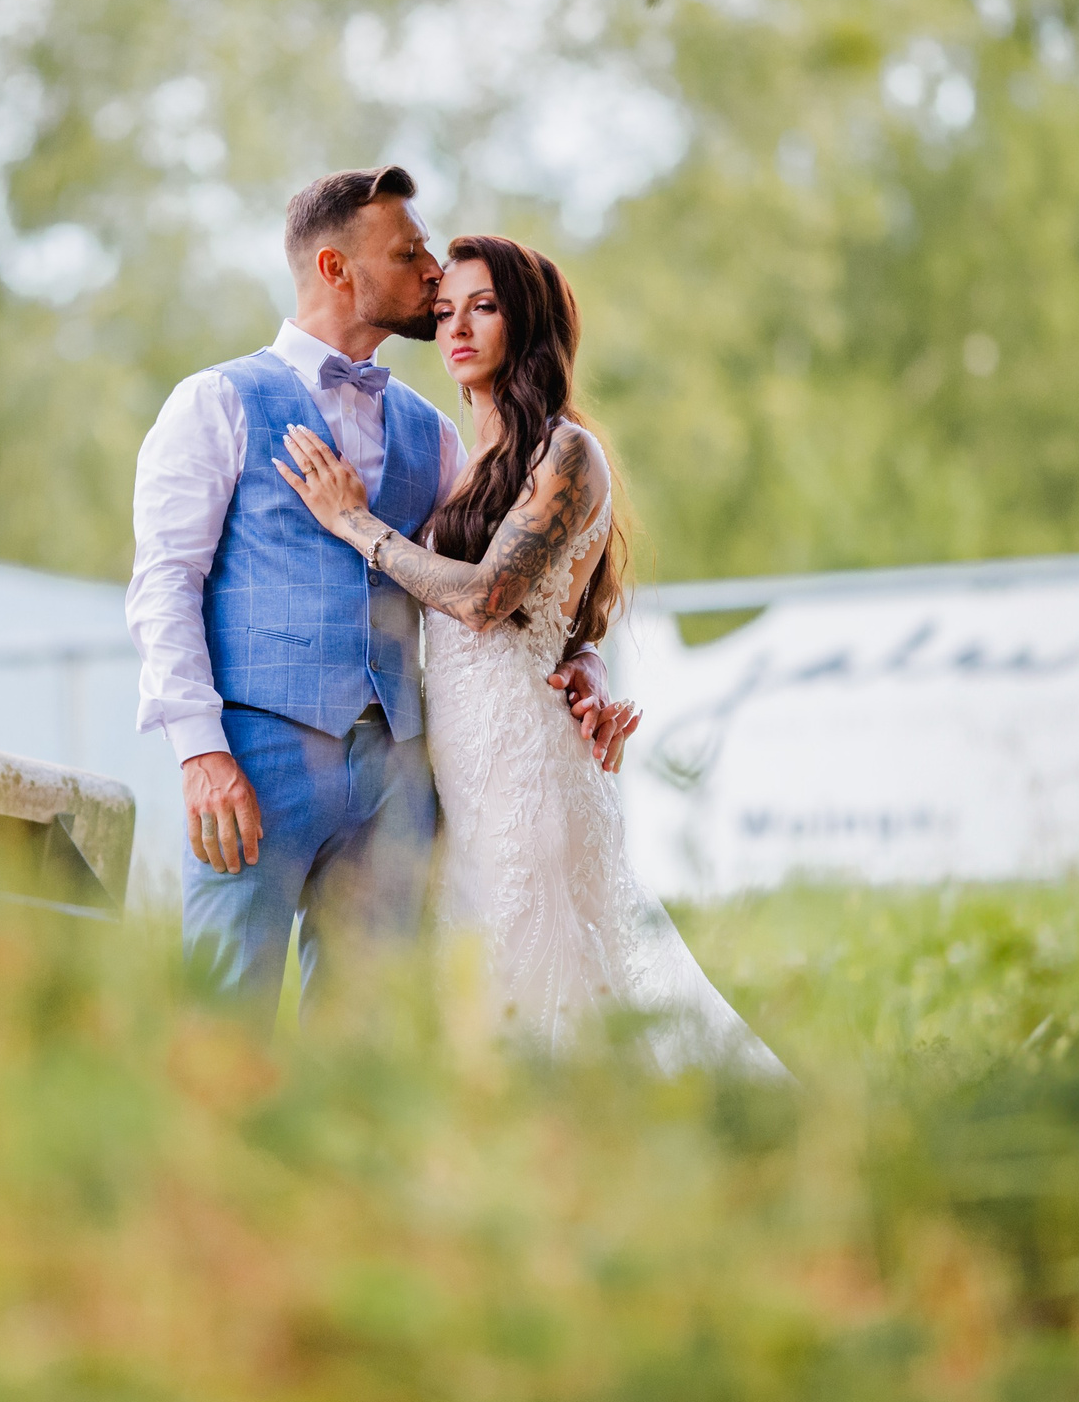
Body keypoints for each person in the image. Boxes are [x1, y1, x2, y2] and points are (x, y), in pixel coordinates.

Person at [126, 167, 638, 1015]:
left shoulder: (434, 433)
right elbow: (163, 585)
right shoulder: (214, 401)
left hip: (405, 778)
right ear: (336, 269)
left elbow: (508, 573)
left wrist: (583, 658)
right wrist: (200, 750)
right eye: (409, 253)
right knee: (226, 1018)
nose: (433, 272)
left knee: (368, 1042)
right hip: (257, 762)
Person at [273, 233, 783, 1074]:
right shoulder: (464, 464)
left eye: (484, 306)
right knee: (476, 992)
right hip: (455, 775)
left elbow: (486, 599)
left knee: (549, 986)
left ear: (529, 321)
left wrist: (354, 523)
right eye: (444, 312)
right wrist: (589, 663)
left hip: (529, 771)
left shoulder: (567, 452)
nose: (457, 328)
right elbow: (563, 624)